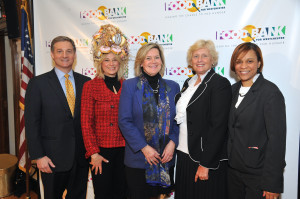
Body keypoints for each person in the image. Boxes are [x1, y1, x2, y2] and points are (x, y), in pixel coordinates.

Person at [25, 36, 91, 199]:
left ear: (75, 54)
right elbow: (32, 122)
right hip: (51, 159)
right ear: (52, 55)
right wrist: (38, 156)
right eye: (59, 51)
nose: (64, 55)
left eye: (69, 51)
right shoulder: (37, 84)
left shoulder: (86, 82)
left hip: (81, 159)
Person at [118, 42, 180, 199]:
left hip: (165, 158)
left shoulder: (173, 87)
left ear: (162, 61)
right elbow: (125, 121)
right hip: (139, 160)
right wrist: (144, 148)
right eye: (148, 58)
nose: (153, 61)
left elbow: (178, 120)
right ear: (141, 62)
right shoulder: (130, 86)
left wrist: (172, 143)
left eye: (157, 57)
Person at [227, 42, 286, 199]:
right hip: (233, 172)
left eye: (250, 61)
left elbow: (277, 141)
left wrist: (272, 183)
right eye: (239, 61)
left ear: (259, 63)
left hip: (258, 175)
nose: (243, 66)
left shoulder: (270, 93)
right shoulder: (232, 91)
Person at [174, 40, 232, 199]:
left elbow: (218, 127)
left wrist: (206, 164)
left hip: (204, 158)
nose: (199, 59)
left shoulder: (219, 84)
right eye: (196, 56)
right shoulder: (189, 83)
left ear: (212, 60)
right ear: (190, 61)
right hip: (184, 153)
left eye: (204, 56)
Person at [81, 24, 129, 199]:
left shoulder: (128, 85)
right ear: (100, 62)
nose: (111, 64)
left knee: (124, 193)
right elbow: (86, 123)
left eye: (115, 59)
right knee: (103, 194)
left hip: (126, 151)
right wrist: (93, 153)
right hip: (101, 152)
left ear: (120, 61)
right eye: (106, 60)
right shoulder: (90, 86)